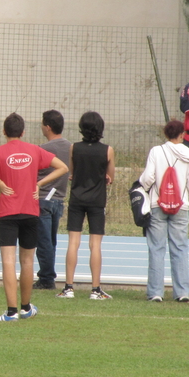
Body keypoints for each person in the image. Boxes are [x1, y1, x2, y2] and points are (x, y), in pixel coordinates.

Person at [0, 113, 68, 321]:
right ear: (23, 132)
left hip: (8, 212)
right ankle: (26, 308)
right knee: (27, 261)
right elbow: (63, 167)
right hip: (30, 211)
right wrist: (39, 184)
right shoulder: (34, 150)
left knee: (8, 261)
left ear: (4, 131)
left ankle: (11, 312)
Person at [138, 120, 189, 302]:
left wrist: (144, 186)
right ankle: (182, 292)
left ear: (165, 134)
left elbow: (148, 178)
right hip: (180, 206)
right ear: (182, 135)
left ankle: (155, 292)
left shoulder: (156, 151)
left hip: (158, 204)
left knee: (156, 248)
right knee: (180, 248)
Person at [58, 111, 115, 300]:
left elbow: (72, 172)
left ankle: (68, 287)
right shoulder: (107, 150)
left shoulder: (74, 148)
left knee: (73, 243)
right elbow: (110, 177)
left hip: (77, 198)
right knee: (95, 245)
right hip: (97, 200)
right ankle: (96, 289)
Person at [33, 110, 71, 291]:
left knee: (44, 241)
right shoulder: (70, 147)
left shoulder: (44, 149)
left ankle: (47, 278)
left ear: (47, 127)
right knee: (51, 240)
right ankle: (48, 274)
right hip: (59, 199)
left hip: (44, 199)